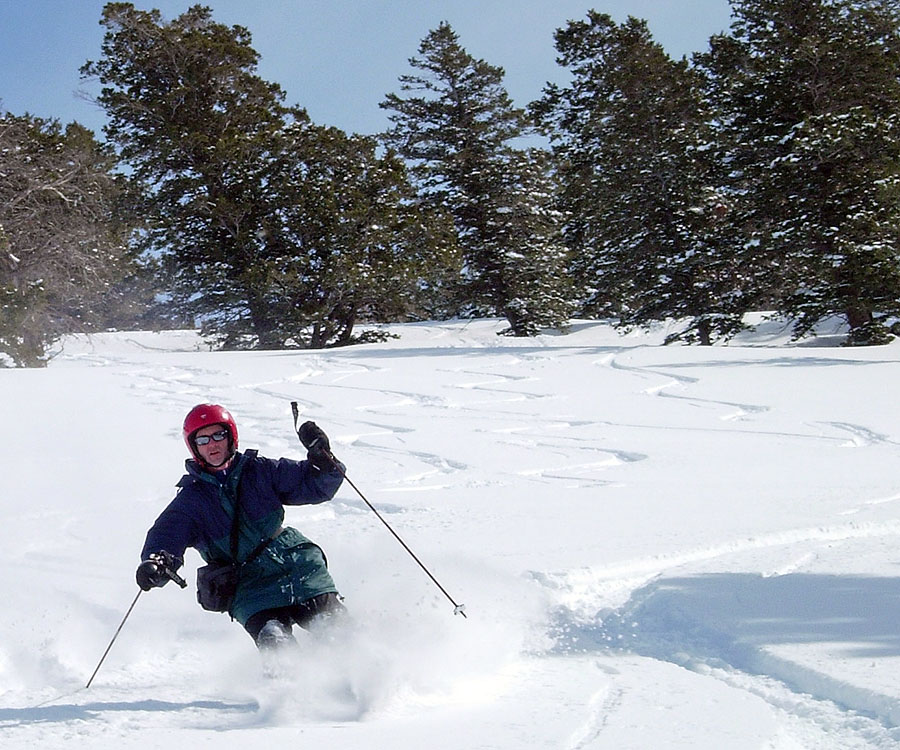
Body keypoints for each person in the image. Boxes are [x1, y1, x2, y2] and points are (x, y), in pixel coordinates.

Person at [136, 403, 346, 650]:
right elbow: (166, 535)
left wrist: (323, 459)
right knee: (274, 642)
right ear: (194, 447)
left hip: (298, 568)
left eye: (218, 435)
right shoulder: (190, 501)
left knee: (338, 631)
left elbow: (316, 485)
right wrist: (157, 563)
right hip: (249, 587)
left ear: (230, 436)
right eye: (202, 439)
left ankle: (373, 677)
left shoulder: (261, 470)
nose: (212, 444)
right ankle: (291, 687)